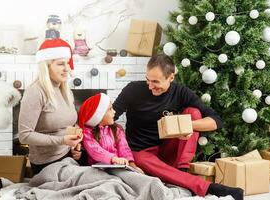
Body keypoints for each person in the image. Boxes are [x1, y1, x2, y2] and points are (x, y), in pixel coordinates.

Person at [113, 54, 243, 199]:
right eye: (147, 80)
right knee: (141, 159)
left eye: (156, 82)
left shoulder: (180, 92)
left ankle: (183, 170)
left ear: (171, 78)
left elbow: (216, 121)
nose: (150, 86)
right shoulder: (133, 89)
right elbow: (110, 116)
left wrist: (186, 126)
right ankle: (207, 187)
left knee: (193, 113)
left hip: (167, 151)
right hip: (140, 153)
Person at [18, 38, 82, 175]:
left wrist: (74, 146)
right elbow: (24, 136)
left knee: (108, 174)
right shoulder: (35, 91)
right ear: (46, 67)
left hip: (67, 155)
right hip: (46, 163)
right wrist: (62, 140)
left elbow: (67, 125)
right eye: (60, 64)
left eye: (67, 63)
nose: (67, 69)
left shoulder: (65, 90)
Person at [78, 93, 143, 173]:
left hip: (118, 165)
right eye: (110, 109)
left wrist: (132, 165)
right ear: (99, 115)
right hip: (99, 168)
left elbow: (124, 148)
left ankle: (151, 182)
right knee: (121, 178)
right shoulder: (87, 133)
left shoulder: (116, 129)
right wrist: (113, 158)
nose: (114, 112)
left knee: (135, 174)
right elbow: (95, 151)